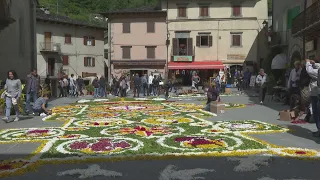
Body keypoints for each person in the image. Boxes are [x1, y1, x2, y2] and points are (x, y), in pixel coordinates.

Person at [305, 59, 320, 137]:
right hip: (316, 92)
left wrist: (308, 63)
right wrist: (314, 64)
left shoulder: (317, 72)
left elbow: (310, 71)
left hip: (316, 92)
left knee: (316, 111)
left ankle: (319, 129)